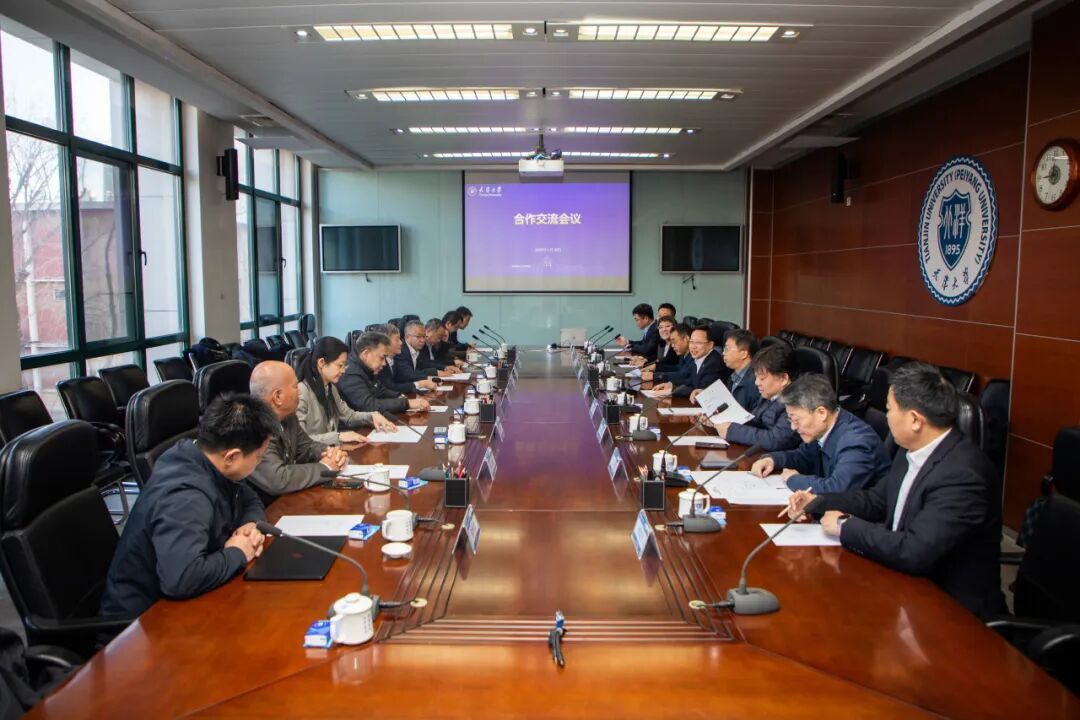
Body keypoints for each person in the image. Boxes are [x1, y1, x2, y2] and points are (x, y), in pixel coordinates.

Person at [782, 363, 1006, 618]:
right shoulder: (912, 449)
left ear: (915, 420)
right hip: (902, 584)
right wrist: (818, 502)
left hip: (949, 612)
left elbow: (914, 551)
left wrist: (845, 526)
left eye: (889, 409)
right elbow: (876, 500)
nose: (885, 417)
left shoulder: (962, 475)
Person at [100, 394, 278, 617]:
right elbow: (182, 578)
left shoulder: (205, 458)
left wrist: (250, 524)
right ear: (231, 457)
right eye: (259, 457)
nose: (259, 462)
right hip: (143, 621)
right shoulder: (186, 496)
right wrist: (239, 552)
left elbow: (250, 499)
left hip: (185, 600)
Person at [751, 373, 890, 493]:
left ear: (821, 413)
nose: (793, 427)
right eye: (790, 420)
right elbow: (803, 456)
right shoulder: (827, 426)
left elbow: (836, 489)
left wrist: (793, 480)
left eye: (796, 420)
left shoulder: (856, 442)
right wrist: (772, 460)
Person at [249, 360, 349, 506]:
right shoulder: (253, 427)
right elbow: (278, 479)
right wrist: (326, 468)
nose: (300, 392)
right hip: (265, 509)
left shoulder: (288, 416)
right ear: (278, 397)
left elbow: (307, 448)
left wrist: (331, 454)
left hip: (288, 500)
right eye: (295, 386)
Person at [296, 336, 397, 445]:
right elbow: (300, 440)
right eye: (340, 365)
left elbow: (348, 416)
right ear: (321, 363)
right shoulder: (301, 392)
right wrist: (338, 437)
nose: (343, 371)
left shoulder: (330, 387)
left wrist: (371, 416)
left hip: (330, 450)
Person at [713, 343, 800, 451]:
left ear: (783, 379)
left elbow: (776, 440)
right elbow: (755, 421)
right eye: (756, 377)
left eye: (762, 378)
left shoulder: (795, 403)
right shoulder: (770, 395)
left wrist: (732, 431)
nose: (756, 383)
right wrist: (720, 421)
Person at [337, 331, 431, 415]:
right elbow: (368, 406)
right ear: (366, 354)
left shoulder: (366, 368)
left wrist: (400, 396)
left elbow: (380, 390)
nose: (384, 363)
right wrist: (407, 403)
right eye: (382, 358)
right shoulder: (350, 373)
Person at [651, 326, 725, 399]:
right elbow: (690, 381)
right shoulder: (698, 358)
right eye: (691, 342)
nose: (693, 346)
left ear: (710, 345)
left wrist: (672, 391)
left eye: (698, 342)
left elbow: (700, 390)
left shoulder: (713, 363)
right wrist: (671, 385)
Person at [372, 323, 437, 393]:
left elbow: (403, 377)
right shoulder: (380, 363)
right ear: (385, 343)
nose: (401, 343)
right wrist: (420, 384)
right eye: (397, 340)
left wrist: (426, 380)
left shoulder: (392, 358)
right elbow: (390, 387)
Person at [721, 329, 763, 412]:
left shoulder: (756, 381)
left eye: (727, 349)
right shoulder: (733, 376)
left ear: (743, 354)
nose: (723, 353)